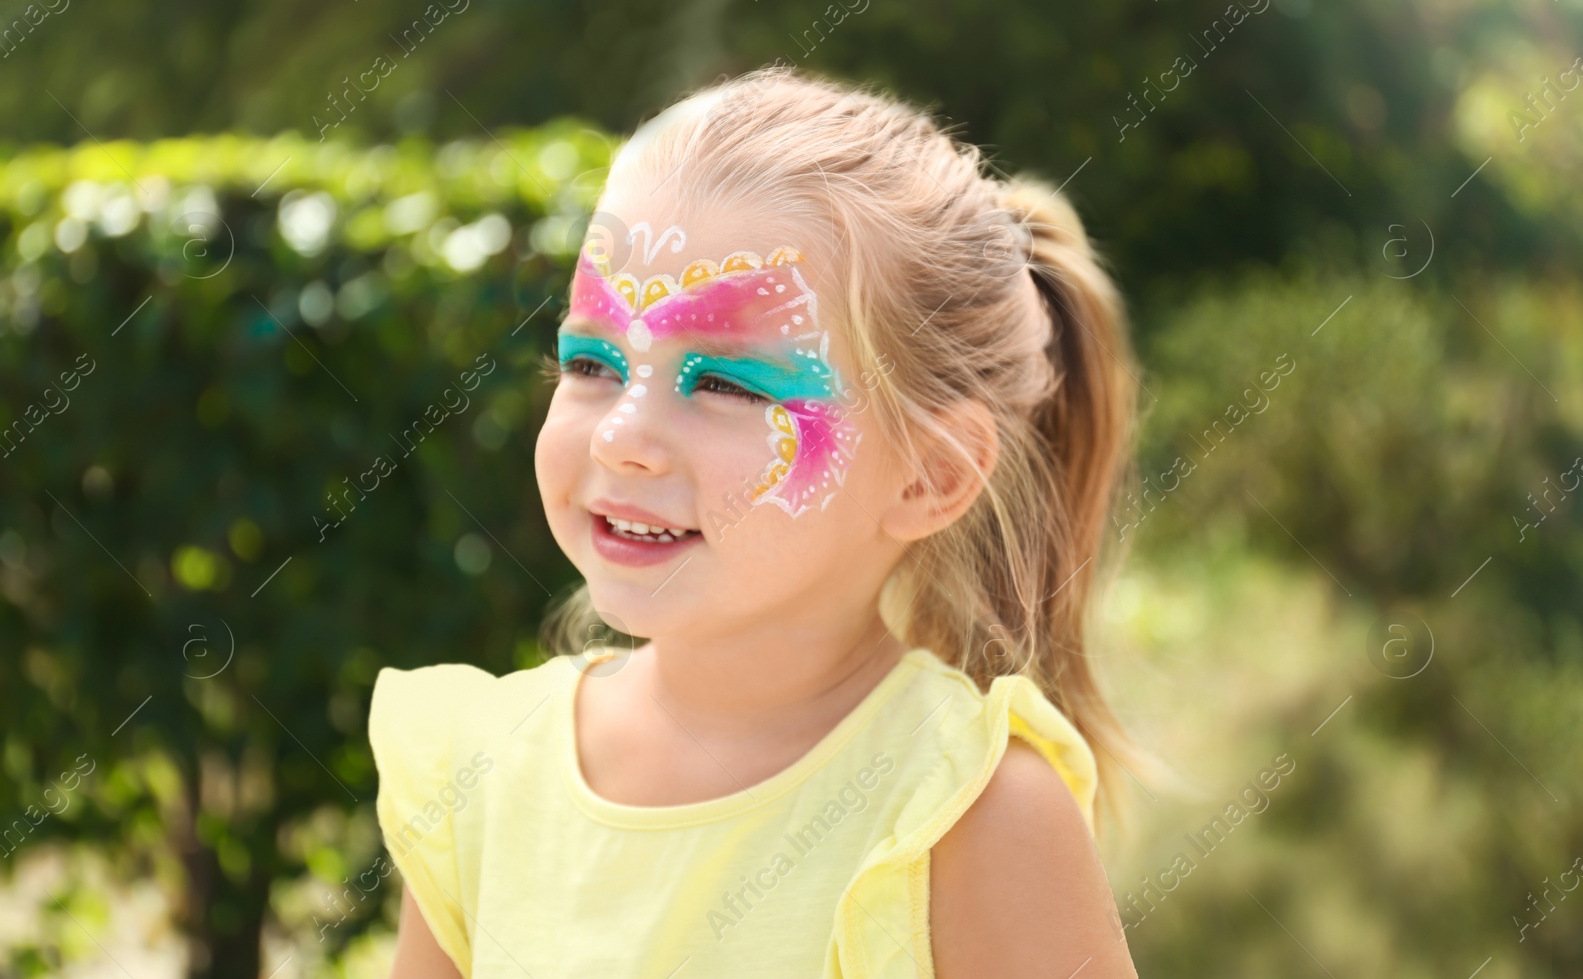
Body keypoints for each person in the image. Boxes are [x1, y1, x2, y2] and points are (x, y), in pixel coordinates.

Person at [370, 64, 1144, 978]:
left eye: (729, 383)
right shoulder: (485, 779)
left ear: (932, 474)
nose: (622, 436)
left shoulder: (971, 814)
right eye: (593, 361)